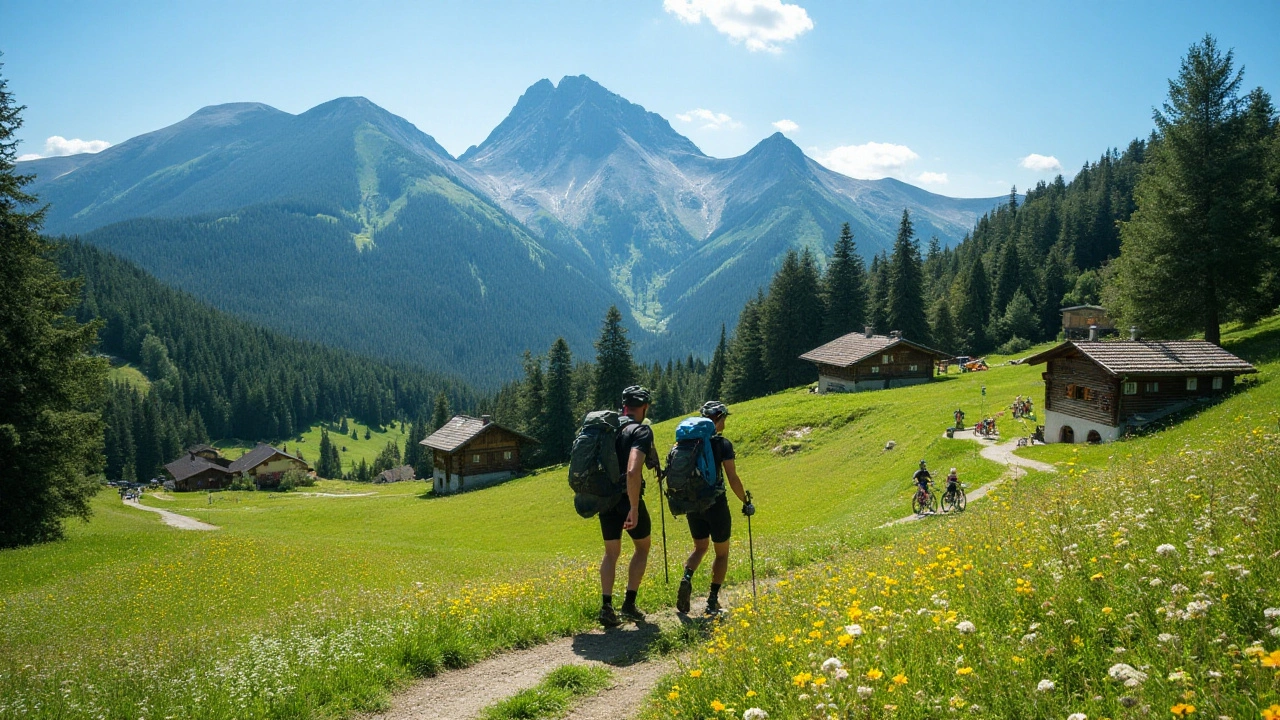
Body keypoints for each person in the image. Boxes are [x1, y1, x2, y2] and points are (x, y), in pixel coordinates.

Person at [676, 400, 752, 616]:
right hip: (716, 504)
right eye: (724, 418)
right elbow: (732, 478)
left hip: (692, 504)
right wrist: (745, 501)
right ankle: (712, 601)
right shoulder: (722, 444)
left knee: (700, 548)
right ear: (718, 420)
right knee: (721, 554)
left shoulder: (687, 444)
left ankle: (686, 578)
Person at [596, 385, 655, 627]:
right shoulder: (641, 431)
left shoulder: (608, 428)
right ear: (643, 408)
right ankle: (629, 604)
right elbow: (633, 471)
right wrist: (633, 507)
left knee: (611, 553)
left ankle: (606, 607)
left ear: (624, 407)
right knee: (642, 548)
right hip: (626, 499)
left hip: (604, 500)